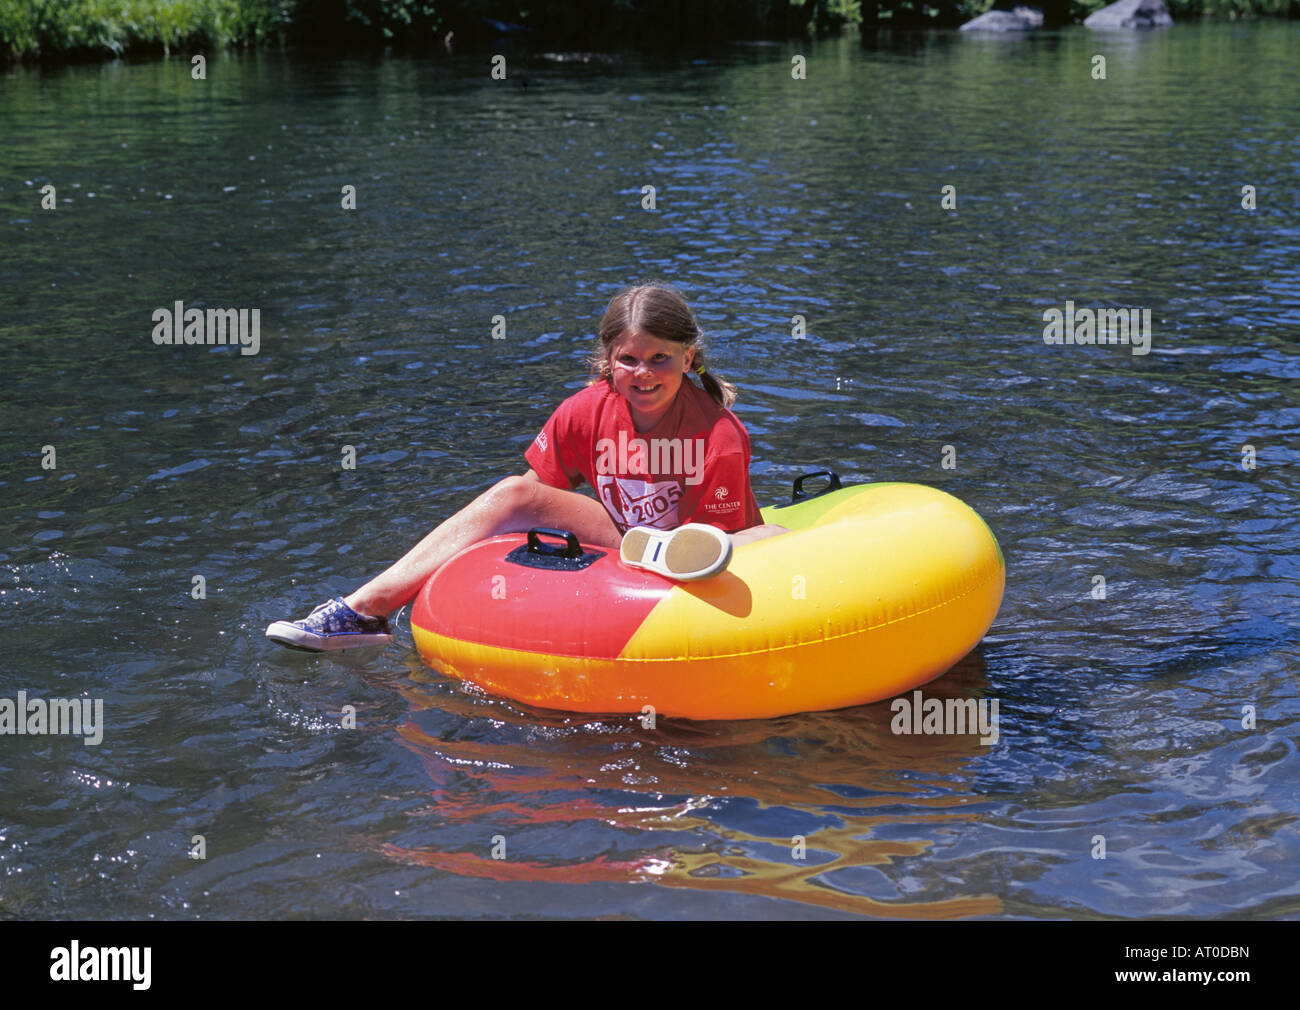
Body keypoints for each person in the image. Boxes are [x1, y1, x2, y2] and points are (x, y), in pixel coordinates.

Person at [265, 282, 788, 651]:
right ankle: (363, 611)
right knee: (514, 492)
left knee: (766, 535)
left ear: (689, 358)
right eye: (629, 359)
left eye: (660, 359)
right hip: (626, 535)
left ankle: (659, 551)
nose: (643, 374)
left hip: (696, 543)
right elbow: (538, 496)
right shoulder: (585, 411)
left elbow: (714, 541)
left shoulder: (717, 434)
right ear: (608, 360)